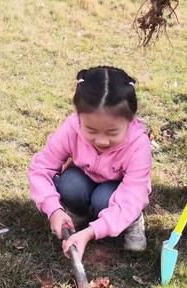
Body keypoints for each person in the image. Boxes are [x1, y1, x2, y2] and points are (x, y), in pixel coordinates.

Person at [28, 66, 152, 260]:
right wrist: (53, 209)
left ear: (130, 120)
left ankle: (131, 219)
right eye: (91, 131)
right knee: (69, 185)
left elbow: (133, 195)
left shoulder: (138, 143)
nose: (102, 141)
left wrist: (90, 233)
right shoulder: (71, 127)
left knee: (103, 200)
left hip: (117, 189)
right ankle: (77, 212)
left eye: (112, 133)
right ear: (79, 117)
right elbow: (40, 169)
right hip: (85, 176)